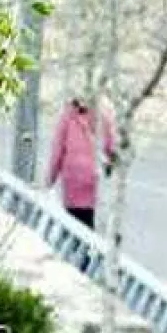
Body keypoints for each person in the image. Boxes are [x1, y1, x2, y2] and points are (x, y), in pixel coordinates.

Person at [46, 96, 116, 231]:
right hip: (93, 176)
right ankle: (89, 247)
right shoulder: (105, 111)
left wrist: (50, 179)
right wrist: (109, 166)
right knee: (89, 219)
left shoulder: (68, 114)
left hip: (72, 177)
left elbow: (57, 150)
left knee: (73, 222)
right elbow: (111, 144)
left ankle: (75, 249)